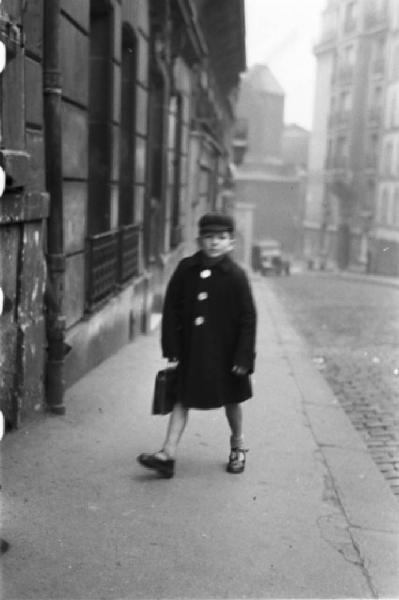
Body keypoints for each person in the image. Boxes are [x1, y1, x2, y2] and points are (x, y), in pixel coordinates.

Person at [137, 212, 257, 478]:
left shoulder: (236, 276)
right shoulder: (186, 269)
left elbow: (248, 318)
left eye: (222, 237)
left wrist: (244, 357)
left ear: (231, 243)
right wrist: (172, 346)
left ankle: (238, 446)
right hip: (192, 349)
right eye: (209, 237)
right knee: (182, 397)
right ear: (199, 240)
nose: (215, 242)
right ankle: (167, 454)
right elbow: (172, 309)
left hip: (227, 353)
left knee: (232, 400)